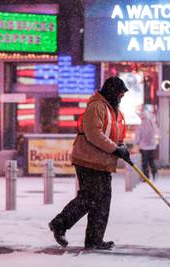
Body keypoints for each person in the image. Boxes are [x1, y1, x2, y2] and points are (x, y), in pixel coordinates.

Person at [48, 76, 130, 250]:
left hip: (103, 162)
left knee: (102, 201)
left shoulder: (115, 111)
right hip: (88, 160)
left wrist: (121, 147)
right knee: (90, 198)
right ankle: (60, 224)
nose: (121, 97)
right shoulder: (96, 107)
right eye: (120, 94)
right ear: (112, 91)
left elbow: (116, 134)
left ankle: (94, 239)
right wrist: (115, 149)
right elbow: (94, 134)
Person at [135, 110, 159, 180]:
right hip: (152, 146)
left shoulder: (141, 125)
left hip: (144, 147)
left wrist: (137, 142)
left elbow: (138, 137)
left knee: (144, 163)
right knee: (151, 161)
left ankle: (146, 177)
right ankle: (154, 173)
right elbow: (157, 132)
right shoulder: (152, 123)